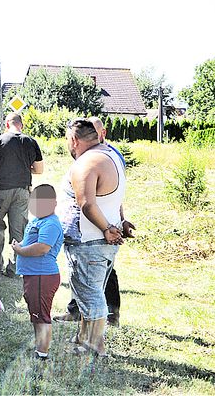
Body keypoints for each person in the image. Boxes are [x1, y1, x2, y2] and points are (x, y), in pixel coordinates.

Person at [53, 117, 135, 326]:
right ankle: (84, 337)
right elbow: (112, 195)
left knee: (92, 297)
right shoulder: (111, 156)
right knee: (91, 292)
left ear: (74, 139)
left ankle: (93, 343)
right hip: (99, 240)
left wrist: (107, 228)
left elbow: (87, 204)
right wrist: (119, 221)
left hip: (89, 241)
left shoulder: (88, 162)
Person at [0, 112, 44, 277]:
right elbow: (39, 170)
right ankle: (15, 269)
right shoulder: (31, 142)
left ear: (7, 124)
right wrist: (24, 166)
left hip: (0, 192)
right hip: (22, 192)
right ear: (21, 125)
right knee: (19, 231)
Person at [11, 184, 63, 360]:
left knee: (42, 315)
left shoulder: (51, 223)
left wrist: (20, 250)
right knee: (36, 313)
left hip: (43, 275)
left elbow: (42, 248)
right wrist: (21, 244)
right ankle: (38, 346)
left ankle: (42, 354)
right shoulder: (38, 220)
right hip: (33, 275)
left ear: (54, 203)